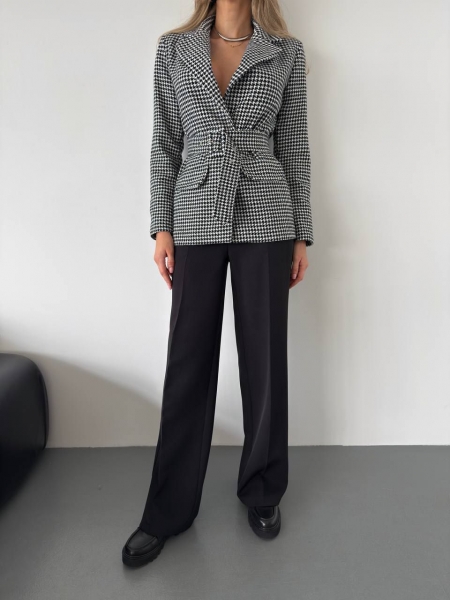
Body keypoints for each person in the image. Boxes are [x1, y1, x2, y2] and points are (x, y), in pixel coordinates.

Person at [122, 0, 313, 567]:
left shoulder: (286, 52)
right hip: (195, 214)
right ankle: (167, 510)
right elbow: (165, 143)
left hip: (266, 214)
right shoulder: (174, 49)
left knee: (264, 362)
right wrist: (161, 226)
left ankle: (263, 488)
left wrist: (301, 233)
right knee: (187, 362)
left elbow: (294, 145)